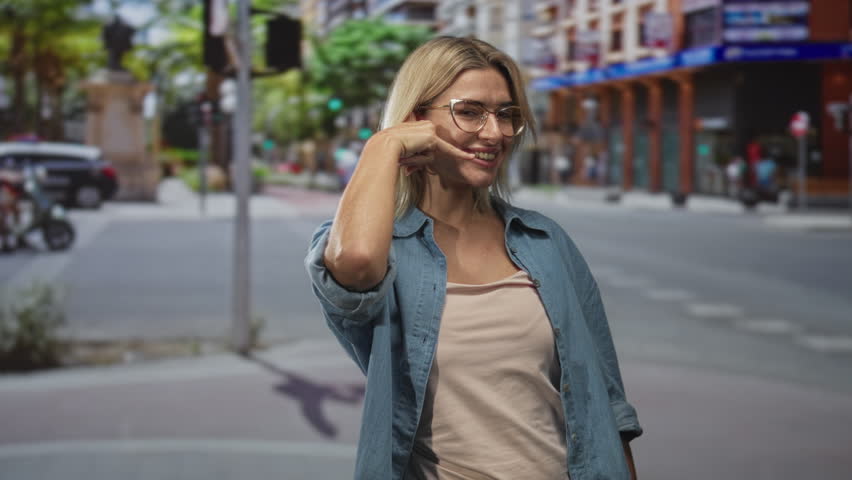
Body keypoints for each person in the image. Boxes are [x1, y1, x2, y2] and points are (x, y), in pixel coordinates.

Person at [305, 36, 642, 480]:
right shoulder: (382, 247)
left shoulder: (544, 241)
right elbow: (357, 260)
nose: (495, 132)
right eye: (470, 111)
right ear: (416, 120)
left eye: (506, 114)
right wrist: (382, 146)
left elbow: (608, 405)